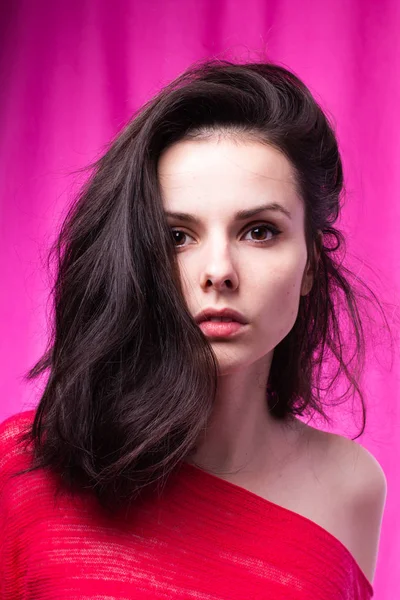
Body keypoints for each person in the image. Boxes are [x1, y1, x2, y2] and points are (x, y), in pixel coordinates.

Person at [0, 58, 390, 599]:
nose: (218, 272)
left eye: (259, 231)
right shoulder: (24, 469)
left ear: (310, 270)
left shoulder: (353, 487)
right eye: (177, 237)